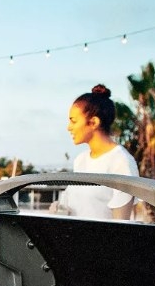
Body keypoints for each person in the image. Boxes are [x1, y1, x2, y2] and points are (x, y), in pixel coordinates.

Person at [57, 83, 140, 219]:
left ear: (93, 122)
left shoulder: (121, 162)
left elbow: (120, 227)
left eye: (73, 121)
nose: (69, 128)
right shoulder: (81, 160)